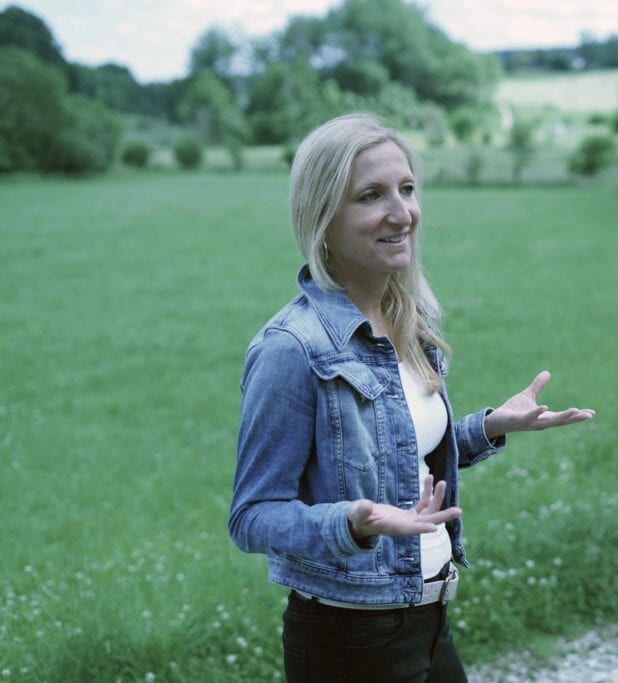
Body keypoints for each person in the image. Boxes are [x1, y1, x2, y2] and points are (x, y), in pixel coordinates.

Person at [228, 112, 594, 683]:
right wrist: (356, 521)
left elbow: (400, 455)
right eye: (371, 196)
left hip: (428, 619)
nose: (402, 213)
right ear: (323, 217)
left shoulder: (408, 320)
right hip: (349, 640)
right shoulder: (291, 349)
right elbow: (252, 516)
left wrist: (490, 426)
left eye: (406, 189)